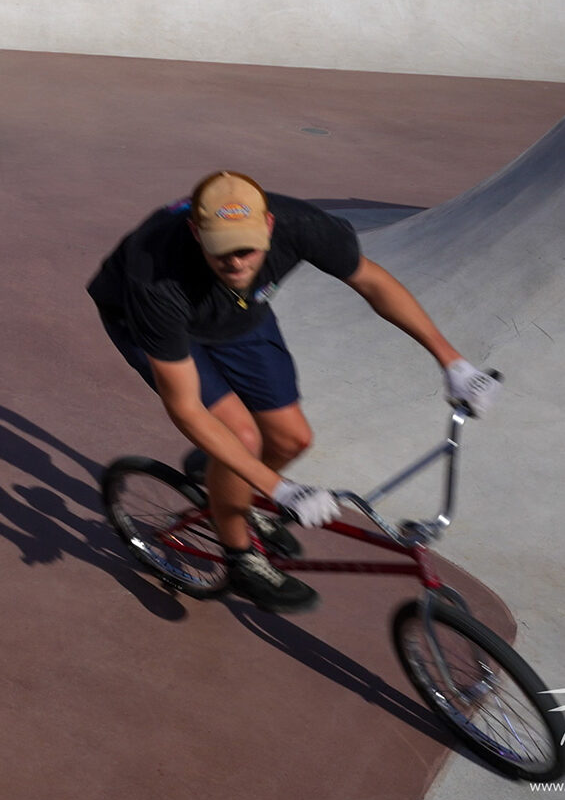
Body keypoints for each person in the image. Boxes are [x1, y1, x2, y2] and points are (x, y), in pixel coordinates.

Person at [89, 171, 496, 613]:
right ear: (195, 232)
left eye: (246, 249)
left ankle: (224, 477)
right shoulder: (154, 277)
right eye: (221, 250)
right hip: (152, 323)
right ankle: (240, 558)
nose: (236, 263)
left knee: (292, 439)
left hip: (239, 314)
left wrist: (453, 363)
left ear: (269, 226)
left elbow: (372, 282)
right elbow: (186, 409)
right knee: (241, 437)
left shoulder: (301, 225)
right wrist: (278, 489)